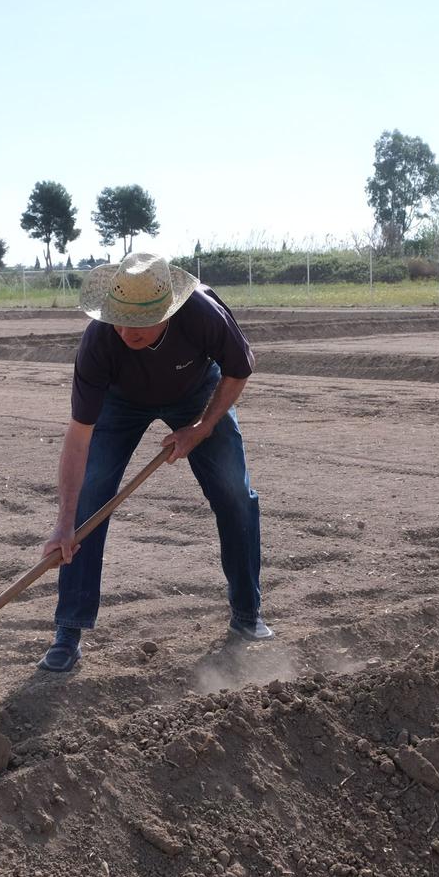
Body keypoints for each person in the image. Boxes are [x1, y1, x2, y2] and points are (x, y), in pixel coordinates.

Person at [37, 251, 270, 673]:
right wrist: (64, 521)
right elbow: (78, 437)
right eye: (119, 318)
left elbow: (238, 371)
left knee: (235, 492)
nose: (127, 331)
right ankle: (68, 630)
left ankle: (247, 613)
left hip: (197, 392)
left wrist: (199, 429)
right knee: (90, 497)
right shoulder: (99, 341)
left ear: (168, 310)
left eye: (140, 322)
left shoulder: (202, 312)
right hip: (120, 400)